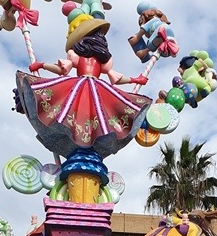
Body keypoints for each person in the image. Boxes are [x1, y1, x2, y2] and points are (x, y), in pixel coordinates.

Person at [15, 16, 151, 159]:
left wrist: (136, 80)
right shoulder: (79, 56)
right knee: (79, 111)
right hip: (89, 88)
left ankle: (87, 143)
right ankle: (80, 141)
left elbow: (114, 77)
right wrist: (41, 65)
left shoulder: (99, 60)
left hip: (88, 87)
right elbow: (63, 70)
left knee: (96, 114)